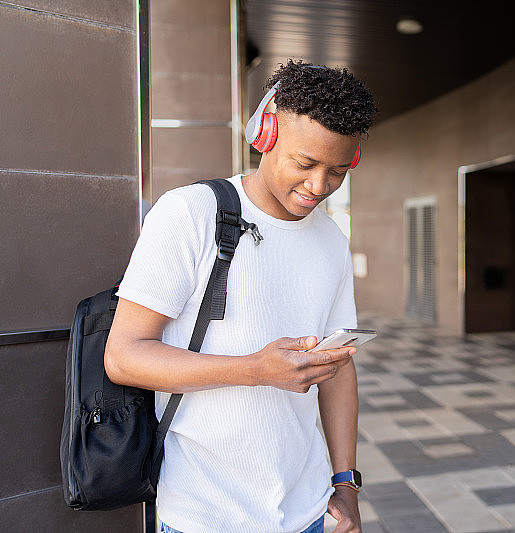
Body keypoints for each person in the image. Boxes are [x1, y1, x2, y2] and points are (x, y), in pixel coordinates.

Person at [105, 59, 377, 533]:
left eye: (337, 171)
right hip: (204, 514)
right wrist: (255, 370)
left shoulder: (332, 240)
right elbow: (124, 357)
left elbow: (338, 368)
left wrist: (345, 483)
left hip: (307, 510)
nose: (319, 186)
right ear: (265, 135)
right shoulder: (189, 214)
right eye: (305, 163)